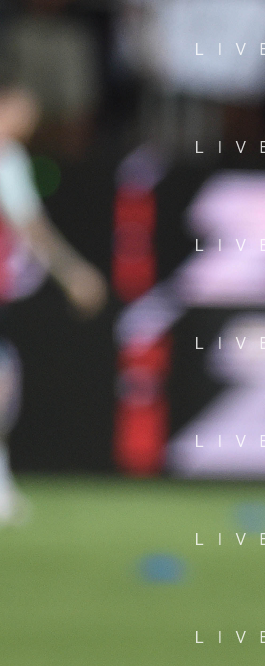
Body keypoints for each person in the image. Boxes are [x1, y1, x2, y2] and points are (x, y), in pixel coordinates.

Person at [0, 85, 107, 524]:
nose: (24, 125)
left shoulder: (10, 160)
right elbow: (31, 227)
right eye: (17, 112)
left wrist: (70, 273)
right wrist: (74, 273)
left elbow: (29, 227)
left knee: (4, 383)